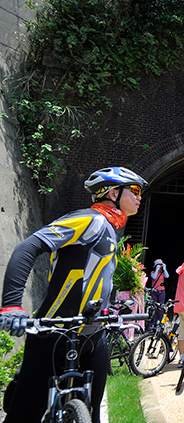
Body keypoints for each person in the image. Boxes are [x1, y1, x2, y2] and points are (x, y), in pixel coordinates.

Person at [0, 166, 148, 423]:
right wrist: (12, 306)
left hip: (93, 334)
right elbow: (28, 247)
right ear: (113, 193)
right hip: (54, 330)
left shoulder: (112, 228)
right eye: (134, 190)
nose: (139, 197)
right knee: (24, 416)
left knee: (92, 414)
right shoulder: (89, 220)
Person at [149, 259, 169, 326]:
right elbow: (154, 277)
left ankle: (159, 322)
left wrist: (164, 268)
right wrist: (157, 270)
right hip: (154, 291)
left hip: (162, 291)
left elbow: (167, 276)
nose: (159, 266)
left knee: (161, 307)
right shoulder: (152, 272)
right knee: (154, 307)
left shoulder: (162, 273)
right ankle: (152, 323)